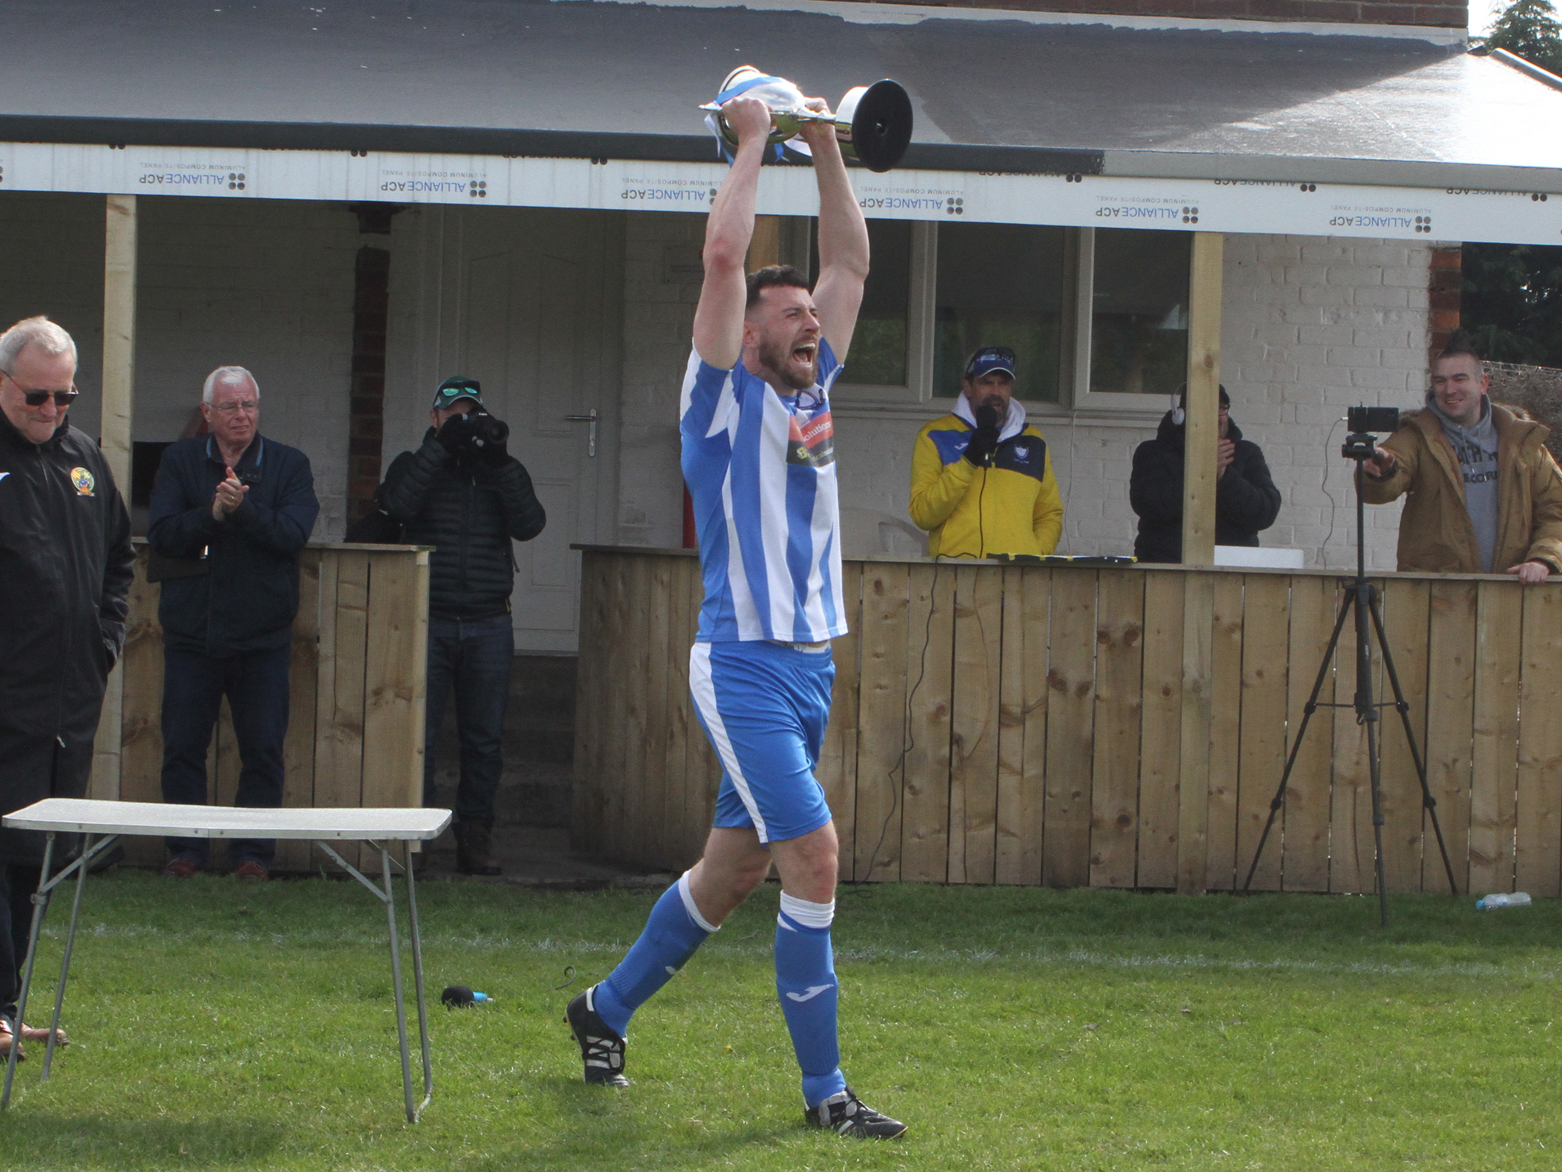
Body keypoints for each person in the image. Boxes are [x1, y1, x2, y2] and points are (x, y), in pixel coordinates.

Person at [564, 92, 905, 1139]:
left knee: (737, 866)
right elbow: (722, 257)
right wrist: (756, 141)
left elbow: (849, 263)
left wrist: (827, 144)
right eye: (791, 313)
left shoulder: (811, 391)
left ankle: (601, 1008)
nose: (812, 319)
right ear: (747, 333)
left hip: (810, 665)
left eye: (811, 314)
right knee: (815, 856)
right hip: (743, 664)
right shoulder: (716, 396)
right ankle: (825, 1095)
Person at [0, 317, 133, 1062]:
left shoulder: (84, 461)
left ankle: (9, 1008)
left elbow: (119, 561)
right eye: (37, 397)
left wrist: (103, 643)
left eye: (64, 396)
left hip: (62, 706)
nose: (51, 411)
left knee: (33, 863)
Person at [147, 366, 319, 880]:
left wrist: (242, 511)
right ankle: (185, 852)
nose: (241, 415)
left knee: (262, 750)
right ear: (207, 414)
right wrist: (213, 516)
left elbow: (293, 534)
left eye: (249, 405)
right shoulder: (178, 461)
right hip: (190, 635)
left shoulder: (289, 464)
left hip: (262, 638)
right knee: (181, 749)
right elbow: (162, 533)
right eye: (230, 407)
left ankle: (252, 855)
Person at [374, 376, 545, 875]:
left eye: (470, 414)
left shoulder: (498, 470)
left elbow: (530, 524)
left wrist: (499, 464)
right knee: (419, 736)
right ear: (434, 419)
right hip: (428, 617)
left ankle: (475, 836)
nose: (461, 423)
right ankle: (419, 839)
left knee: (484, 738)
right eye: (452, 415)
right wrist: (439, 451)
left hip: (490, 621)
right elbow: (398, 505)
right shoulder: (414, 463)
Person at [1359, 335, 1562, 582]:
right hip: (1435, 599)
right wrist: (1380, 474)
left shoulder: (1522, 441)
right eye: (1440, 381)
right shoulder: (1414, 437)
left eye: (1459, 379)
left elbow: (1557, 512)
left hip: (1511, 595)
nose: (1449, 390)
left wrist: (1542, 559)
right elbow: (1379, 490)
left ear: (1483, 383)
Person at [908, 346, 1063, 557]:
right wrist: (969, 459)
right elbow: (923, 516)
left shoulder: (1033, 440)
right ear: (968, 387)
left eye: (1003, 383)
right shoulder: (935, 435)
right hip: (955, 576)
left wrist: (1035, 554)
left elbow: (1049, 514)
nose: (996, 392)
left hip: (1017, 577)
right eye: (986, 382)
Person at [1130, 384, 1281, 562]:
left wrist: (1223, 476)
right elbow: (1149, 505)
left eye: (1219, 408)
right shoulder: (1153, 452)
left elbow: (1265, 513)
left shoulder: (1247, 452)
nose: (1213, 417)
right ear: (1181, 415)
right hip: (1166, 568)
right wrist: (1199, 472)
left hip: (1232, 569)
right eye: (1202, 409)